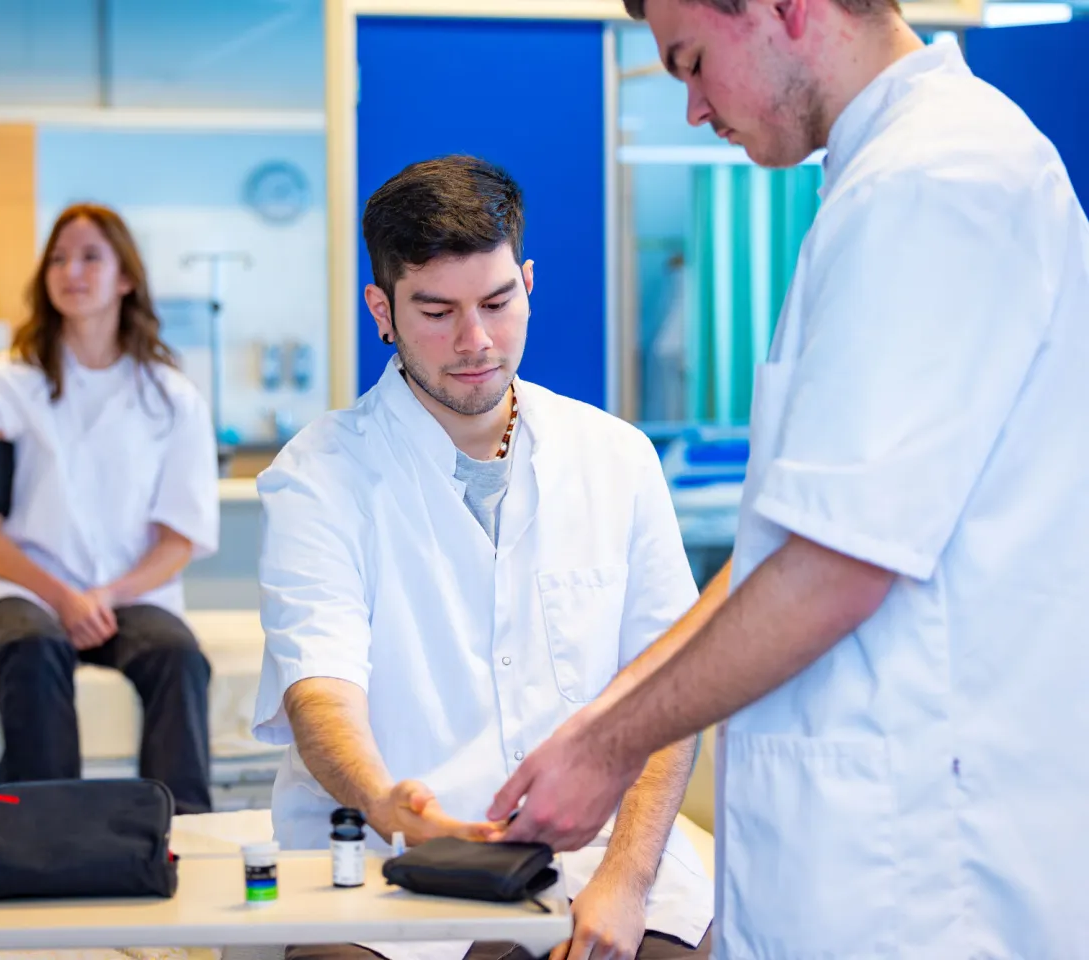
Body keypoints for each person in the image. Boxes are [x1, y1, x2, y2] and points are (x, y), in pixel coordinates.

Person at [490, 0, 1089, 956]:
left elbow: (838, 567)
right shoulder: (883, 184)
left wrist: (610, 747)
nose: (690, 107)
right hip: (869, 851)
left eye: (691, 62)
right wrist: (610, 718)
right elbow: (788, 544)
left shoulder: (940, 180)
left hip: (922, 871)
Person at [253, 156, 714, 960]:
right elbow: (320, 690)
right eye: (435, 311)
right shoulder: (318, 475)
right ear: (382, 310)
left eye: (498, 303)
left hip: (595, 858)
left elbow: (666, 693)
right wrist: (387, 802)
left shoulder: (617, 458)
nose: (475, 342)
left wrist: (628, 877)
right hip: (386, 859)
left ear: (528, 283)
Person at [0, 203, 218, 814]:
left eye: (91, 256)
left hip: (127, 597)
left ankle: (179, 838)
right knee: (34, 647)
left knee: (179, 658)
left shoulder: (171, 398)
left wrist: (105, 596)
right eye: (59, 258)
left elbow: (178, 541)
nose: (72, 270)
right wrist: (64, 596)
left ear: (126, 277)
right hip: (17, 593)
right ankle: (41, 836)